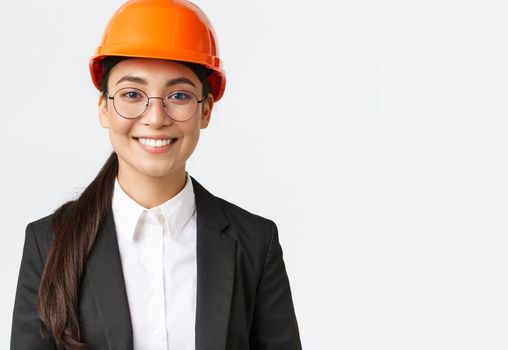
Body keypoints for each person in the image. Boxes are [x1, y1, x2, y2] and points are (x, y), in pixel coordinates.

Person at [10, 1, 302, 349]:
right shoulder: (49, 243)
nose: (156, 117)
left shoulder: (254, 243)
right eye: (132, 94)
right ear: (104, 108)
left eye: (178, 95)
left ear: (205, 110)